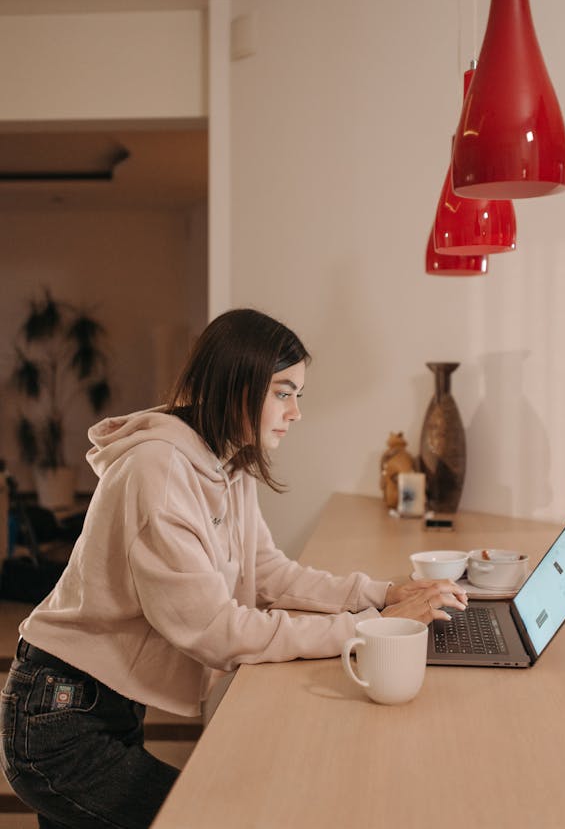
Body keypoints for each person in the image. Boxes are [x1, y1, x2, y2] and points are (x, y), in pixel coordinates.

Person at [0, 308, 467, 829]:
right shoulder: (157, 472)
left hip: (104, 705)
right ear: (236, 385)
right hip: (58, 716)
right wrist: (364, 632)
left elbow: (268, 572)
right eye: (283, 392)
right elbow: (215, 631)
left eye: (299, 395)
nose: (295, 412)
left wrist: (383, 594)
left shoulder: (227, 462)